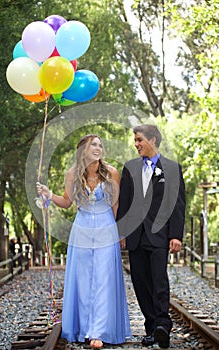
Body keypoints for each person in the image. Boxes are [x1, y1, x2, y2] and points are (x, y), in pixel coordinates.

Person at [37, 134, 131, 349]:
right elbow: (67, 202)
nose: (98, 148)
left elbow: (116, 206)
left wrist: (121, 233)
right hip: (81, 229)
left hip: (106, 228)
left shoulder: (112, 173)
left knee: (104, 278)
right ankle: (84, 328)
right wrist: (49, 194)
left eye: (100, 145)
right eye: (93, 145)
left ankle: (99, 331)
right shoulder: (72, 174)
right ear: (83, 150)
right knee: (83, 279)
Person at [116, 124, 186, 348]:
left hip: (159, 235)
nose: (136, 144)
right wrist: (122, 233)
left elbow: (177, 205)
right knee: (140, 282)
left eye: (139, 140)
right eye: (135, 140)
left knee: (159, 280)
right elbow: (125, 203)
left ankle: (163, 325)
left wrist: (176, 235)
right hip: (136, 236)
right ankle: (151, 328)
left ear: (153, 140)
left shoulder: (173, 169)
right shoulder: (130, 168)